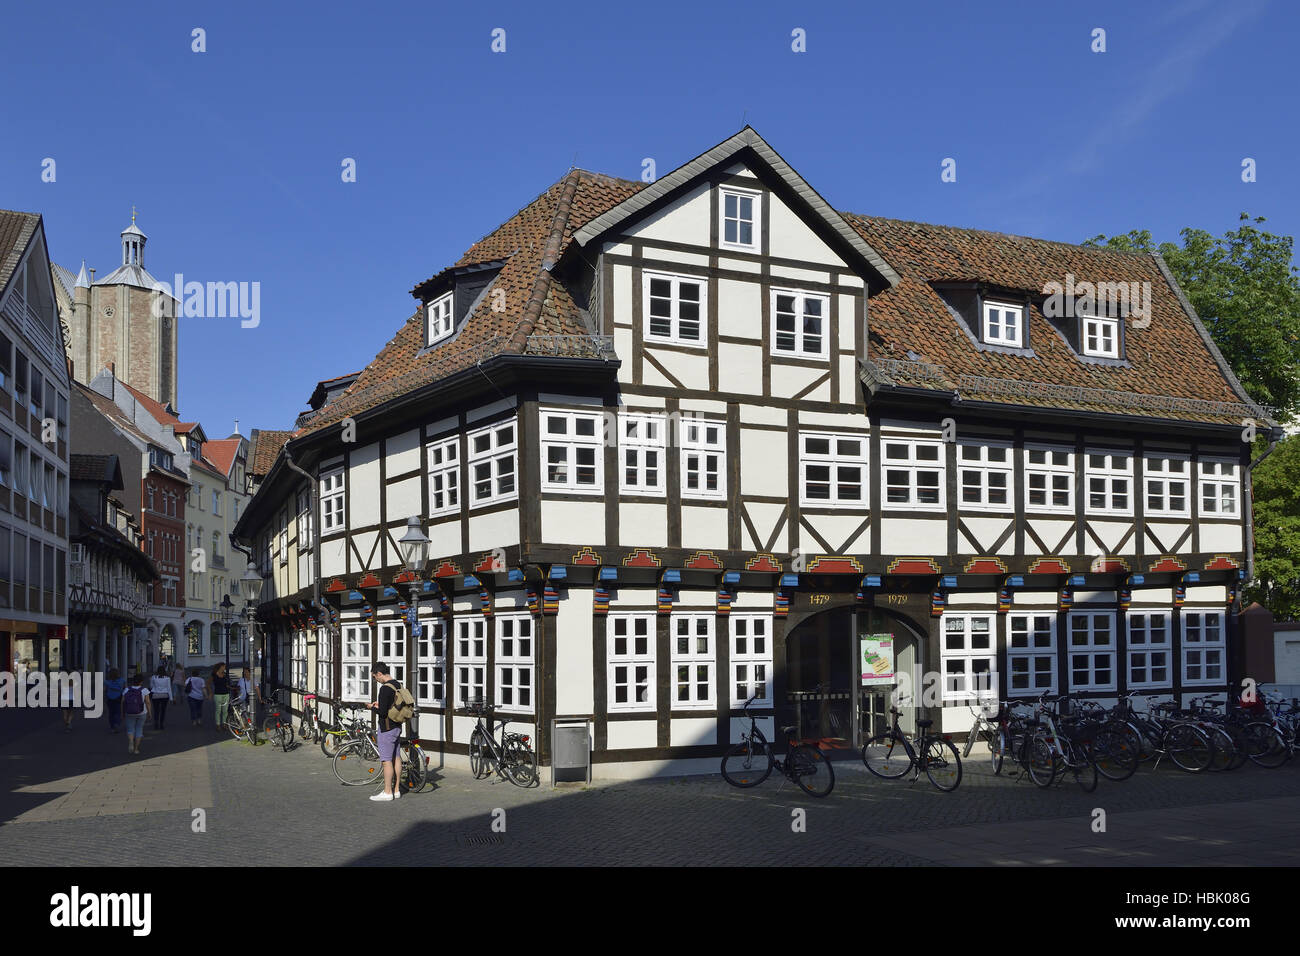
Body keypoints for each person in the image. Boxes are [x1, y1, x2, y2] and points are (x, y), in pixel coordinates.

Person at [367, 663, 405, 802]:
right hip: (397, 726)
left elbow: (383, 713)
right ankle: (396, 790)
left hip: (387, 728)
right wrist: (381, 705)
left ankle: (387, 792)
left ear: (379, 674)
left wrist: (372, 707)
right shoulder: (397, 684)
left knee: (386, 761)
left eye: (374, 677)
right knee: (396, 758)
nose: (375, 680)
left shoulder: (384, 689)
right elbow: (393, 706)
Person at [121, 673, 151, 755]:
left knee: (130, 729)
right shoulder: (144, 690)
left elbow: (123, 702)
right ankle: (136, 749)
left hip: (129, 712)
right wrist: (149, 713)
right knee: (139, 730)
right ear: (141, 682)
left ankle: (131, 741)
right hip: (141, 712)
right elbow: (148, 702)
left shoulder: (127, 689)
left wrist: (122, 712)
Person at [149, 666, 173, 731]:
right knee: (163, 710)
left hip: (155, 695)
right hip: (164, 695)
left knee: (156, 710)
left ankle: (156, 724)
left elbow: (151, 686)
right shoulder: (167, 678)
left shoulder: (153, 677)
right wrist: (171, 698)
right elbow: (169, 688)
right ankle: (161, 724)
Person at [209, 662, 231, 731]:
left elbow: (226, 685)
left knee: (225, 711)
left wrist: (233, 688)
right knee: (218, 710)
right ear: (220, 667)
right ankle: (218, 725)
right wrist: (210, 692)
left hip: (226, 694)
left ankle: (224, 724)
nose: (225, 668)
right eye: (224, 667)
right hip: (218, 694)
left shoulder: (225, 674)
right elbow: (208, 684)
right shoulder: (214, 675)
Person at [104, 668, 125, 733]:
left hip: (109, 698)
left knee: (111, 713)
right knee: (118, 712)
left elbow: (105, 690)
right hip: (119, 698)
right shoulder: (122, 680)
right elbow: (125, 689)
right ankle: (117, 723)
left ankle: (112, 726)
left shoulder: (107, 682)